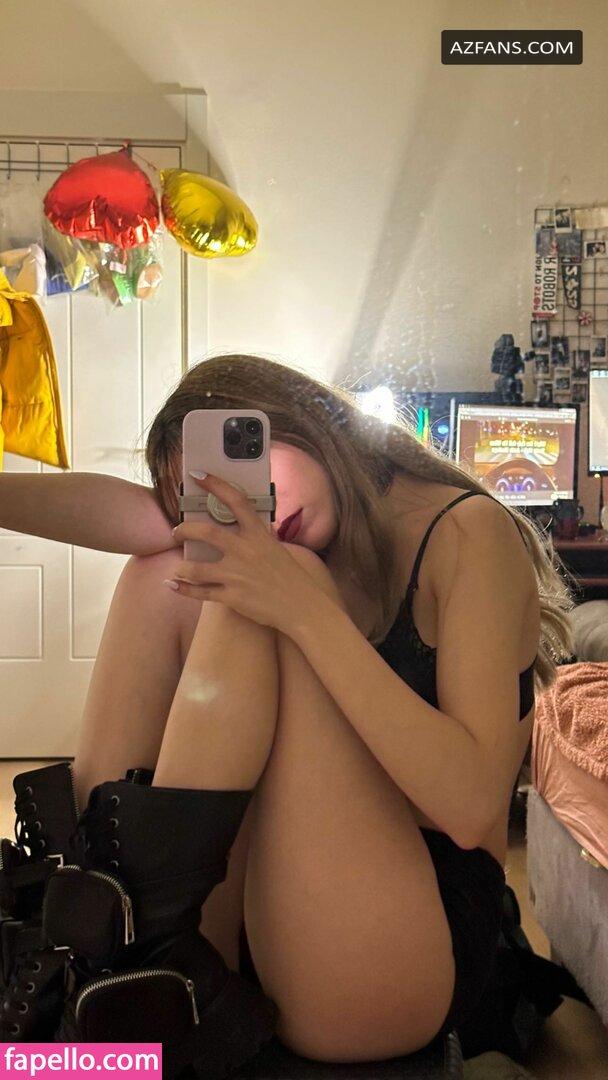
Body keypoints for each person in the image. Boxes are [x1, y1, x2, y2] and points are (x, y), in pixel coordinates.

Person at [0, 353, 574, 1069]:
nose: (260, 507)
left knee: (264, 573)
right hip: (266, 911)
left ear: (299, 418)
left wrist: (306, 610)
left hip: (408, 944)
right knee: (167, 569)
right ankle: (89, 940)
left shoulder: (468, 535)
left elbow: (471, 806)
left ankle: (122, 955)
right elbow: (136, 521)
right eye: (225, 491)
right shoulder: (291, 530)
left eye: (252, 460)